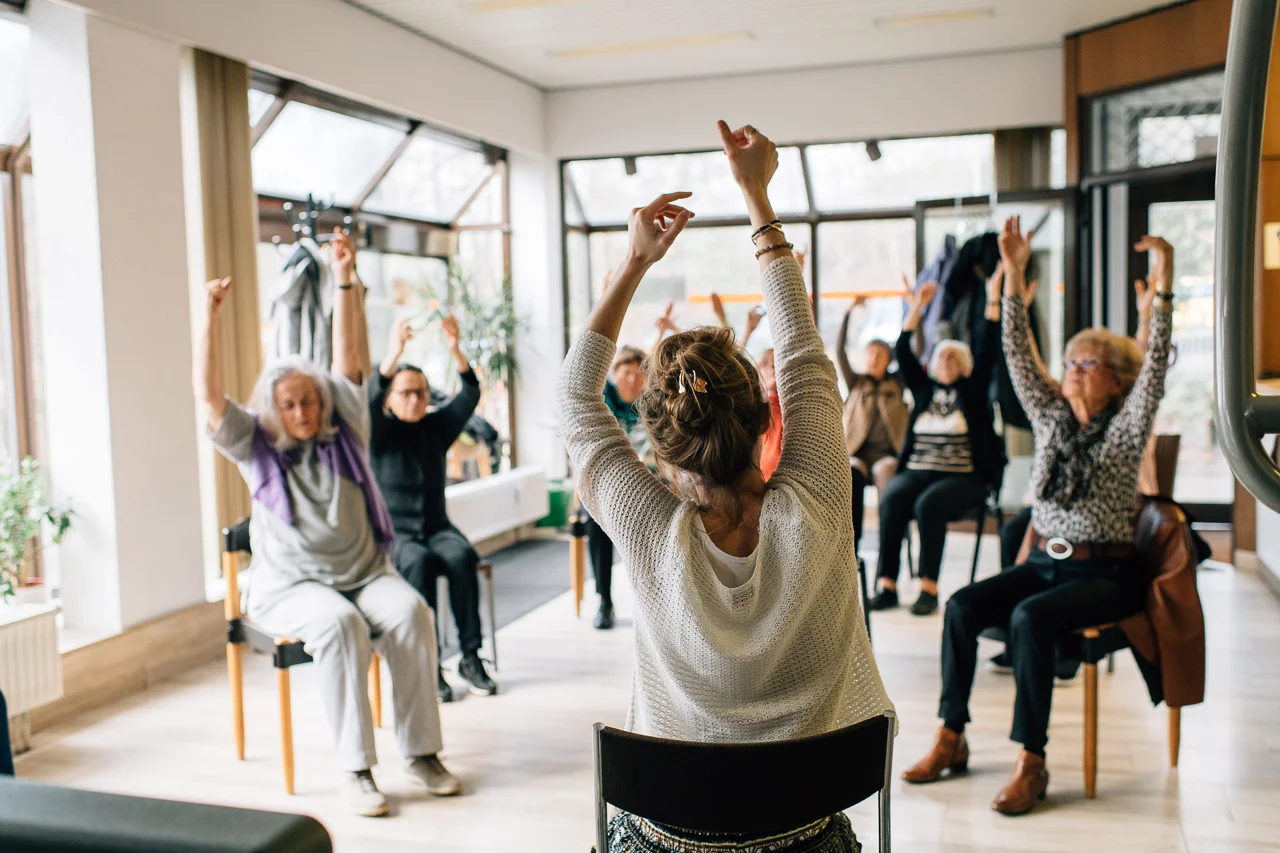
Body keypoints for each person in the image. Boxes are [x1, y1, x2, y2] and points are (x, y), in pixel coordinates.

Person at [558, 121, 892, 852]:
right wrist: (756, 194)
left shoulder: (649, 527)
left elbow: (574, 400)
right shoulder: (821, 501)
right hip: (807, 837)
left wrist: (634, 260)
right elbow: (804, 352)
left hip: (666, 843)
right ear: (766, 413)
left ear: (662, 446)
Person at [902, 219, 1173, 817]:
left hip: (1102, 576)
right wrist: (1015, 274)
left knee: (1028, 619)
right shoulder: (1051, 414)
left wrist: (1164, 294)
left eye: (1088, 362)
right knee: (962, 607)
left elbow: (1155, 371)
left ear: (1118, 382)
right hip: (1044, 562)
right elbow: (1017, 354)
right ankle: (952, 736)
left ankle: (1032, 761)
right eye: (1071, 359)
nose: (1072, 368)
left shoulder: (1126, 430)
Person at [196, 229, 461, 818]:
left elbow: (348, 362)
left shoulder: (350, 436)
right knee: (339, 625)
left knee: (412, 613)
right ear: (273, 409)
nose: (301, 412)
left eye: (309, 401)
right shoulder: (255, 446)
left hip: (366, 574)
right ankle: (357, 769)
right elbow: (210, 399)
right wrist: (208, 319)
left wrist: (345, 279)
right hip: (292, 588)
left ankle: (421, 753)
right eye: (288, 404)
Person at [370, 317, 497, 702]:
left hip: (438, 527)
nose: (415, 399)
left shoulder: (435, 427)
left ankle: (471, 657)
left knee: (460, 556)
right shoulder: (377, 430)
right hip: (397, 535)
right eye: (406, 393)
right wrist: (394, 353)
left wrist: (456, 351)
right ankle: (428, 662)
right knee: (419, 564)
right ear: (391, 398)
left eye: (421, 393)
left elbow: (468, 397)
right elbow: (370, 397)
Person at [869, 270, 1005, 616]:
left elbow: (989, 345)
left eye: (951, 357)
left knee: (929, 504)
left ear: (964, 366)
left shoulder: (972, 393)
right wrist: (916, 306)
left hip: (964, 477)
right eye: (940, 356)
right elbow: (903, 348)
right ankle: (887, 584)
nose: (943, 360)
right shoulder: (924, 390)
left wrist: (992, 297)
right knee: (894, 496)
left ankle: (929, 587)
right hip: (918, 471)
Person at [582, 345, 651, 630]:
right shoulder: (603, 400)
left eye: (640, 374)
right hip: (611, 487)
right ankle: (604, 601)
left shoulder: (652, 402)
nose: (633, 381)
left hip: (648, 485)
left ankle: (652, 600)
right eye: (626, 373)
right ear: (614, 374)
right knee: (593, 521)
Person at [836, 295, 908, 552]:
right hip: (858, 453)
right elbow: (840, 350)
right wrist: (848, 313)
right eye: (869, 354)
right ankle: (852, 549)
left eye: (879, 353)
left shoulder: (897, 383)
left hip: (887, 454)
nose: (873, 359)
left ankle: (890, 546)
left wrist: (913, 309)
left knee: (886, 474)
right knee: (852, 473)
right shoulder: (857, 382)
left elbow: (912, 349)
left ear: (889, 359)